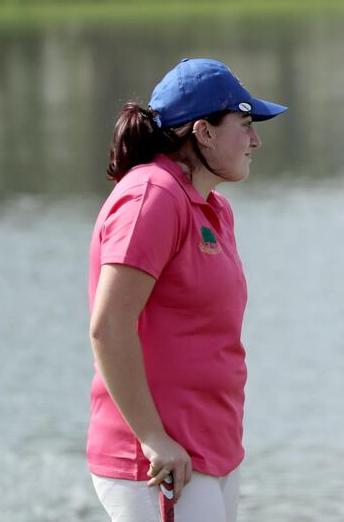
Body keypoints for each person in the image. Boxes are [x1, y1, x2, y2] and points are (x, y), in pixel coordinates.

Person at [87, 58, 286, 521]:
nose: (255, 139)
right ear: (204, 132)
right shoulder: (151, 198)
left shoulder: (210, 207)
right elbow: (109, 328)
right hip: (160, 460)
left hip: (210, 449)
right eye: (245, 123)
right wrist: (154, 440)